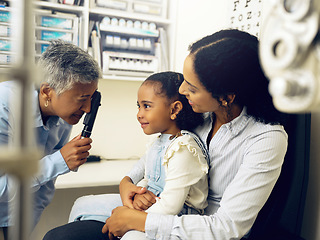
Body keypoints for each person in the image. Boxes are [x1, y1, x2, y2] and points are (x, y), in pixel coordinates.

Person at [44, 29, 289, 240]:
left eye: (192, 87)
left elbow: (227, 227)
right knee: (74, 217)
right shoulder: (199, 115)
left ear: (227, 97)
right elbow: (153, 156)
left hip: (198, 229)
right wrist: (128, 185)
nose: (182, 90)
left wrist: (138, 221)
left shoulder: (267, 139)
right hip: (163, 206)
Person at [44, 71, 209, 239]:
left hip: (171, 219)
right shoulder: (159, 142)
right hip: (148, 206)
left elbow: (170, 207)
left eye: (147, 106)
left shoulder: (184, 150)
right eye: (138, 106)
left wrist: (130, 216)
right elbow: (145, 172)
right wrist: (137, 191)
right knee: (81, 205)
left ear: (174, 109)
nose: (139, 114)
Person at [0, 40, 101, 238]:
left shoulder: (65, 114)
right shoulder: (5, 106)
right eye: (82, 99)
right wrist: (59, 161)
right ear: (48, 92)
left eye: (92, 98)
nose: (88, 109)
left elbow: (45, 184)